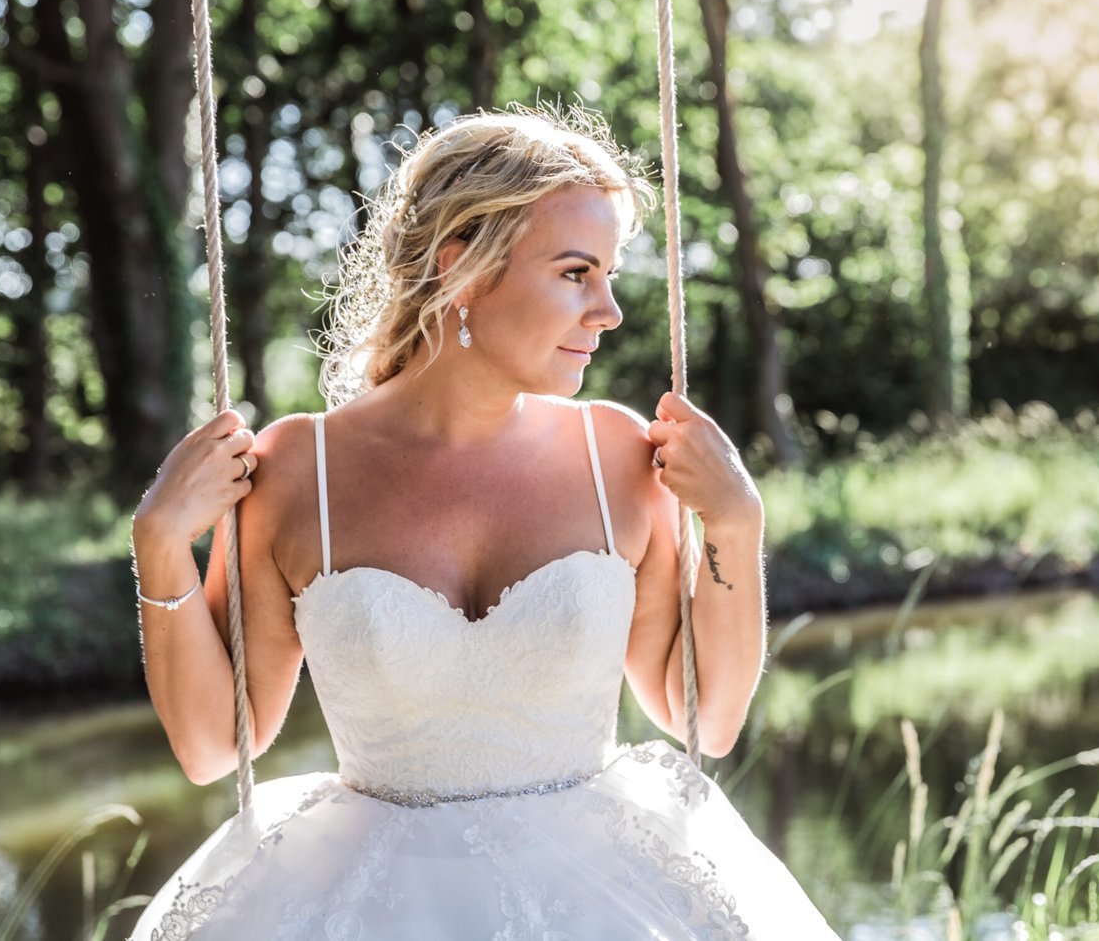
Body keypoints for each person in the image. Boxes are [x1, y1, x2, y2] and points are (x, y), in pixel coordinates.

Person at [125, 107, 840, 939]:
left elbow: (705, 717)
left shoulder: (617, 456)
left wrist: (736, 525)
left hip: (603, 899)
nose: (607, 310)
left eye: (609, 275)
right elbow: (218, 745)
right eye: (576, 272)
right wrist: (161, 545)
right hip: (367, 905)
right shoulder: (297, 472)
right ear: (463, 268)